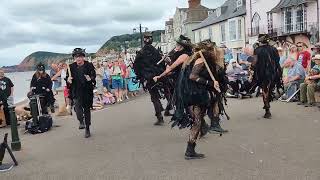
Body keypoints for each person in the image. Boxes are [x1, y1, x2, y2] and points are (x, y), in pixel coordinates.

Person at [172, 40, 229, 159]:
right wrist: (210, 83)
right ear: (209, 51)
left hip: (196, 94)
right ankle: (189, 151)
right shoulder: (200, 59)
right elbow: (192, 76)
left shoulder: (203, 60)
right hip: (193, 95)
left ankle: (190, 150)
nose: (215, 52)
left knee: (197, 122)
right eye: (214, 50)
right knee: (197, 122)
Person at [133, 32, 166, 125]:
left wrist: (142, 77)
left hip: (149, 78)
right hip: (158, 76)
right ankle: (161, 109)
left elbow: (136, 67)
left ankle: (160, 117)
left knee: (154, 96)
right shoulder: (156, 51)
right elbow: (162, 64)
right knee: (157, 95)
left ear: (144, 40)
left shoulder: (141, 52)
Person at [67, 48, 96, 138]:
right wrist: (68, 80)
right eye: (76, 57)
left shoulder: (89, 65)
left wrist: (90, 78)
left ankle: (87, 128)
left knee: (87, 110)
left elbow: (93, 75)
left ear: (83, 57)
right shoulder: (71, 67)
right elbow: (68, 79)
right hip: (76, 90)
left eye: (80, 56)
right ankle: (81, 120)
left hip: (86, 90)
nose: (78, 58)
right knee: (77, 107)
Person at [252, 34, 282, 119]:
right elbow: (277, 61)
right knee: (268, 88)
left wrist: (252, 70)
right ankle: (267, 105)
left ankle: (267, 107)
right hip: (272, 73)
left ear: (260, 41)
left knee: (264, 89)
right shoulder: (274, 49)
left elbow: (254, 62)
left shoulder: (257, 50)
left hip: (261, 73)